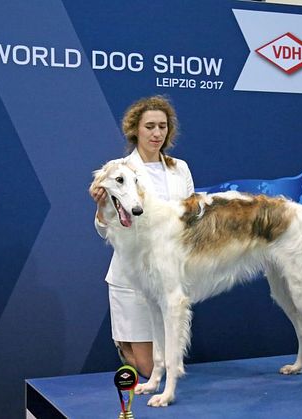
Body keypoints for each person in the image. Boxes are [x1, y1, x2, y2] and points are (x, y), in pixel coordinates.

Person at [90, 95, 195, 378]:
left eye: (162, 126)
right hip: (130, 276)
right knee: (145, 368)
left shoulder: (180, 168)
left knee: (162, 366)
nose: (157, 133)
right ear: (135, 128)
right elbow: (103, 229)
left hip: (168, 274)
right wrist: (102, 207)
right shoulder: (118, 168)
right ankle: (125, 347)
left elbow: (190, 220)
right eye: (150, 126)